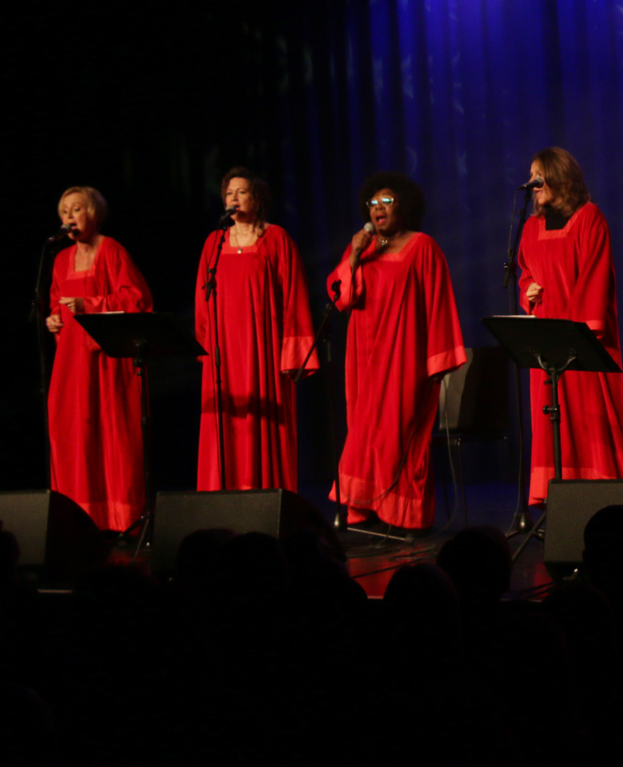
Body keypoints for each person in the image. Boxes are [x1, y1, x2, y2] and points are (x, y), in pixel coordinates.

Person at [329, 172, 466, 534]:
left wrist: (438, 359)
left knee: (400, 432)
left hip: (405, 357)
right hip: (363, 358)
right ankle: (364, 507)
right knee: (364, 433)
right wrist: (354, 254)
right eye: (373, 203)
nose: (379, 208)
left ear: (402, 205)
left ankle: (404, 514)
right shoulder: (362, 249)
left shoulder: (422, 246)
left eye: (386, 201)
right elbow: (341, 298)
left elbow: (438, 303)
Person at [517, 147, 623, 504]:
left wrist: (577, 333)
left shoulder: (589, 218)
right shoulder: (530, 227)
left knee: (590, 416)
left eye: (539, 175)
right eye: (531, 176)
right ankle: (555, 494)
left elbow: (595, 276)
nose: (533, 183)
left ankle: (599, 493)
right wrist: (528, 289)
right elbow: (525, 271)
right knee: (550, 419)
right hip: (546, 337)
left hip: (582, 338)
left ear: (558, 176)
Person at [193, 167, 316, 492]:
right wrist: (205, 348)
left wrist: (294, 352)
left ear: (258, 199)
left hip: (263, 349)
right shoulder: (214, 243)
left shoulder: (276, 239)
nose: (233, 198)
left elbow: (294, 296)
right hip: (224, 352)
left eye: (241, 192)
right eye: (228, 193)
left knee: (263, 423)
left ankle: (264, 498)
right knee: (226, 424)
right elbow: (202, 302)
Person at [45, 186, 153, 532]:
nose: (69, 217)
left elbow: (136, 299)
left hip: (107, 359)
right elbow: (57, 302)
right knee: (75, 432)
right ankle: (78, 519)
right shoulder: (60, 259)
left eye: (76, 209)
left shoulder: (112, 250)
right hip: (72, 362)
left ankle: (120, 519)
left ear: (93, 213)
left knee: (112, 432)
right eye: (65, 211)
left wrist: (89, 304)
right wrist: (54, 319)